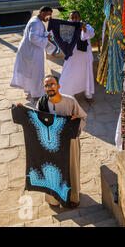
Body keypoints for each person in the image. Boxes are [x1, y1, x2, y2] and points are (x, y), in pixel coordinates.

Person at [37, 74, 87, 208]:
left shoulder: (70, 101)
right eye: (46, 86)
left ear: (58, 86)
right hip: (51, 144)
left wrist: (76, 124)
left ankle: (73, 197)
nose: (50, 88)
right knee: (52, 171)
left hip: (70, 143)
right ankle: (53, 199)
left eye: (52, 84)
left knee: (71, 168)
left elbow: (83, 117)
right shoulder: (41, 103)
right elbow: (37, 122)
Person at [10, 6, 53, 100]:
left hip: (30, 51)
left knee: (32, 73)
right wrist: (46, 39)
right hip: (31, 52)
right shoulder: (36, 23)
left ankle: (32, 91)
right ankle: (36, 95)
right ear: (43, 13)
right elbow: (33, 38)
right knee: (36, 73)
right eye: (48, 15)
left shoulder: (36, 20)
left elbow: (37, 34)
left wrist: (46, 35)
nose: (49, 17)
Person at [58, 11, 95, 102]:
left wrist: (83, 29)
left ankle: (88, 95)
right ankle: (68, 94)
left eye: (76, 17)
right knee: (69, 74)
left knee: (86, 75)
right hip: (72, 57)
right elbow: (62, 39)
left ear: (79, 18)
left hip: (84, 57)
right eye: (72, 18)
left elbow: (90, 34)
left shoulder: (86, 26)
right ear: (69, 19)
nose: (74, 19)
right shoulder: (66, 28)